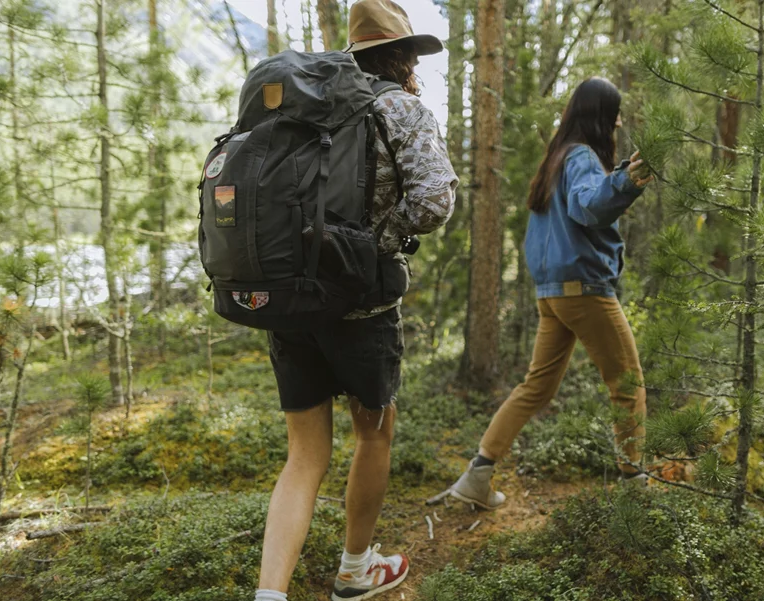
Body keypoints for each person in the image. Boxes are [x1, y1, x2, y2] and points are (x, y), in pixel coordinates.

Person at [253, 2, 457, 601]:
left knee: (303, 455)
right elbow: (435, 201)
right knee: (373, 435)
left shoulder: (302, 106)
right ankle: (355, 568)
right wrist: (373, 243)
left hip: (291, 302)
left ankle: (270, 594)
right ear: (402, 54)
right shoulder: (399, 107)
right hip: (362, 309)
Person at [448, 77, 654, 510]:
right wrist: (627, 183)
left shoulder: (557, 157)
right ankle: (635, 486)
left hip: (553, 293)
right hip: (583, 289)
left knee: (536, 387)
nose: (619, 121)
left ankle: (477, 474)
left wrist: (619, 178)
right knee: (628, 382)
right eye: (615, 112)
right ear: (600, 114)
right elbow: (587, 206)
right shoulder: (580, 156)